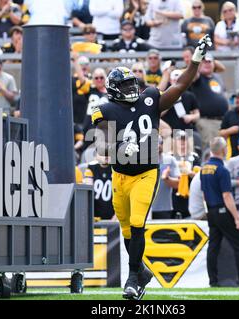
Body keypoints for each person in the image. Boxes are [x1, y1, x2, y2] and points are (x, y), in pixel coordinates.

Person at [91, 35, 213, 299]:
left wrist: (196, 60)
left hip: (146, 172)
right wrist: (121, 149)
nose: (130, 89)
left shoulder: (149, 99)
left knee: (137, 223)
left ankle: (133, 278)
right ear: (113, 89)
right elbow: (102, 149)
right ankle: (141, 270)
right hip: (119, 175)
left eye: (131, 83)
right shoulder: (105, 110)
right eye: (124, 85)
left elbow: (180, 85)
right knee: (126, 229)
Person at [200, 137, 239, 287]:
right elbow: (227, 196)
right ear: (223, 150)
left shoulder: (204, 169)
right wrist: (237, 218)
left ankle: (213, 281)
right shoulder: (222, 170)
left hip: (211, 211)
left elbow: (204, 193)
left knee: (213, 246)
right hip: (223, 210)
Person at [190, 53, 228, 148]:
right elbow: (193, 72)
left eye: (209, 62)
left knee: (222, 150)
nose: (207, 64)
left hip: (221, 121)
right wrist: (199, 57)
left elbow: (222, 68)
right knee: (209, 148)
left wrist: (211, 59)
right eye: (204, 62)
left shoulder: (216, 76)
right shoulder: (197, 78)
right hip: (206, 121)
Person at [172, 130, 201, 219]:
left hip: (190, 194)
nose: (182, 143)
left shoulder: (194, 157)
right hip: (174, 195)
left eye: (184, 140)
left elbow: (199, 175)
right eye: (180, 140)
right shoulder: (170, 157)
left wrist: (189, 173)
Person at [151, 136, 180, 219]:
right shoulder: (142, 160)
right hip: (144, 207)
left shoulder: (170, 160)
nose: (158, 145)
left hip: (164, 208)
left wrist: (166, 178)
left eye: (160, 143)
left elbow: (178, 184)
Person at [83, 154, 116, 221]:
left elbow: (121, 194)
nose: (105, 156)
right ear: (95, 156)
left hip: (113, 214)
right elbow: (88, 193)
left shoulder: (115, 168)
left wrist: (116, 216)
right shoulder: (91, 167)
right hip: (94, 214)